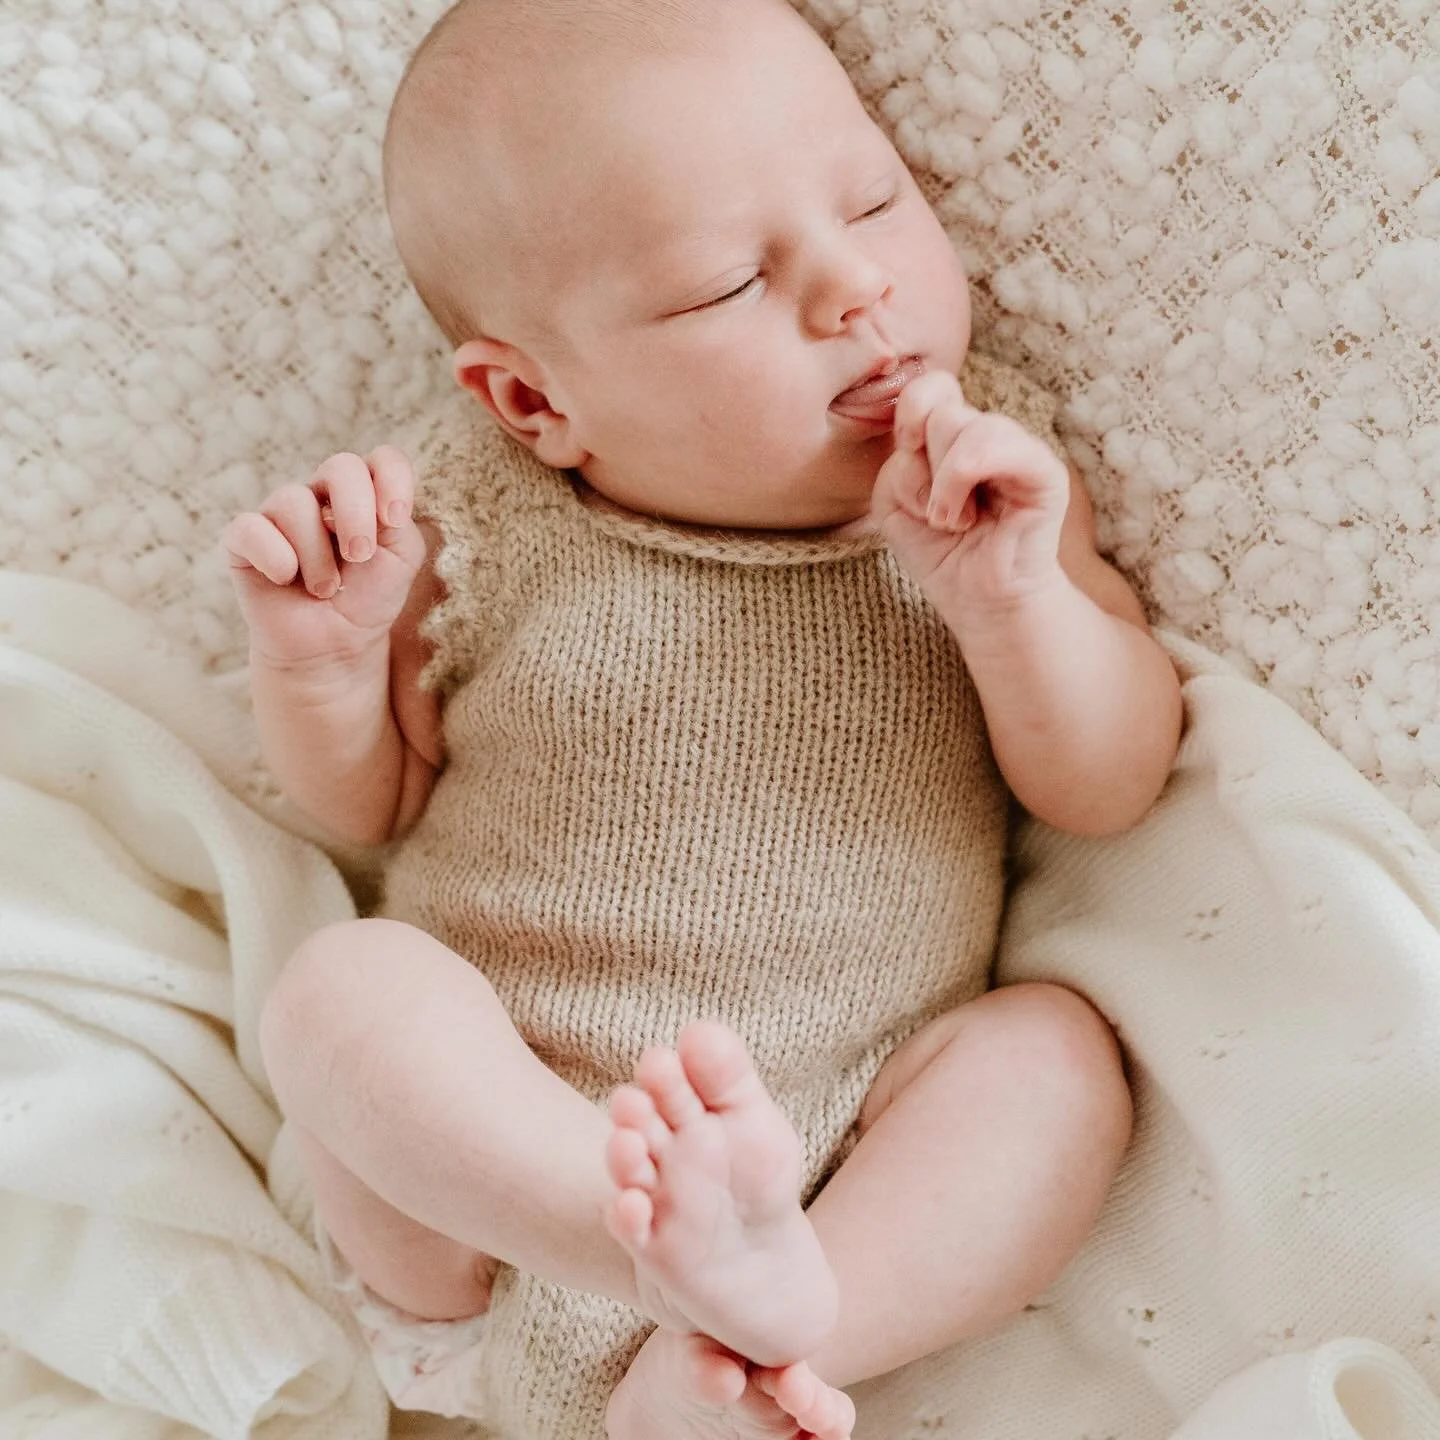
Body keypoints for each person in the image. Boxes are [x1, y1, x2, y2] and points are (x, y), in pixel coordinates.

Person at [223, 1, 1183, 1436]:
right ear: (536, 401)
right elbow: (376, 805)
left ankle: (756, 1350)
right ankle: (651, 1260)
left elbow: (1107, 786)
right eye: (728, 286)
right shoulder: (477, 515)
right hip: (490, 1198)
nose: (856, 282)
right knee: (342, 993)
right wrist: (319, 671)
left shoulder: (990, 490)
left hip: (837, 1155)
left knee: (1055, 1061)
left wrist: (1010, 606)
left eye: (874, 199)